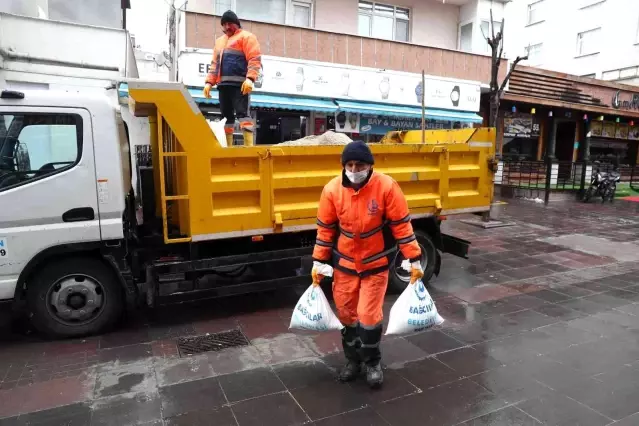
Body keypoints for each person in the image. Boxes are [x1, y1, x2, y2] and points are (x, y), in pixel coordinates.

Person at [312, 141, 424, 388]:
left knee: (368, 316)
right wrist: (319, 261)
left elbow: (402, 227)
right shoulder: (332, 190)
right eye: (349, 165)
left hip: (375, 265)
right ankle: (353, 361)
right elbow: (326, 229)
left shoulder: (386, 187)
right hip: (345, 267)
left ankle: (373, 363)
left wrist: (413, 258)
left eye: (359, 165)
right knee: (347, 316)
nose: (354, 169)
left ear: (370, 165)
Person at [203, 10, 261, 147]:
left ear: (236, 23)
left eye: (230, 23)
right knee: (226, 117)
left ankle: (248, 148)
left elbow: (254, 59)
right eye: (224, 24)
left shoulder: (247, 37)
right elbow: (215, 65)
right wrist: (209, 83)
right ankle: (228, 147)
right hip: (223, 85)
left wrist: (250, 79)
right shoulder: (219, 42)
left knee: (243, 115)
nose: (227, 27)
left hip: (240, 85)